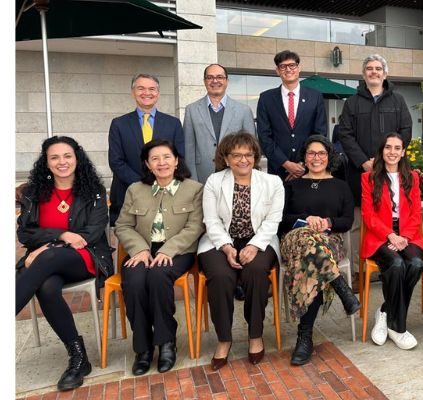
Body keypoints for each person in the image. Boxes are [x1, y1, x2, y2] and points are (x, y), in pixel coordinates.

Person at [15, 136, 113, 391]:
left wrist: (48, 247)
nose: (62, 162)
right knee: (46, 287)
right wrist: (60, 235)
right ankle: (78, 358)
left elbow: (91, 234)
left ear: (77, 158)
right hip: (47, 264)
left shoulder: (93, 190)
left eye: (67, 156)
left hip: (86, 257)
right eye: (55, 157)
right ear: (46, 162)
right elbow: (25, 233)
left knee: (47, 258)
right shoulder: (34, 193)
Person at [114, 139, 204, 375]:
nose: (161, 163)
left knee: (158, 276)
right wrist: (139, 249)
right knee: (134, 281)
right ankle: (142, 348)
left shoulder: (194, 189)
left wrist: (167, 250)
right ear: (147, 164)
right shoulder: (135, 190)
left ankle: (166, 342)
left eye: (166, 157)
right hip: (141, 250)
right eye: (155, 159)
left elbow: (195, 227)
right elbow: (123, 225)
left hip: (178, 251)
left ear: (176, 161)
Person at [197, 132, 284, 369]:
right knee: (220, 276)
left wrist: (254, 245)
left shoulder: (273, 182)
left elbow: (273, 221)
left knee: (255, 272)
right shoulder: (214, 181)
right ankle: (224, 339)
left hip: (260, 239)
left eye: (248, 154)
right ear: (226, 158)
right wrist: (226, 247)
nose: (243, 160)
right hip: (219, 240)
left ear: (255, 157)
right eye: (236, 155)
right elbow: (211, 220)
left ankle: (255, 335)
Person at [280, 135, 360, 365]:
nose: (316, 158)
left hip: (329, 240)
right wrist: (306, 219)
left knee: (311, 261)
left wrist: (328, 222)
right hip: (294, 240)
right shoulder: (292, 185)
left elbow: (347, 221)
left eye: (321, 153)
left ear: (329, 156)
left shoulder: (341, 186)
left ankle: (304, 336)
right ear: (304, 157)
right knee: (307, 242)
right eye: (311, 153)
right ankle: (340, 284)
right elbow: (281, 219)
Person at [361, 132, 423, 350]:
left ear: (403, 152)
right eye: (388, 147)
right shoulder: (369, 178)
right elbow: (368, 215)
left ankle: (385, 312)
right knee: (396, 264)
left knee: (415, 264)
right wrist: (390, 235)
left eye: (397, 148)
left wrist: (404, 237)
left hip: (408, 234)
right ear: (382, 150)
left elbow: (416, 213)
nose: (392, 152)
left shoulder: (412, 177)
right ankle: (399, 329)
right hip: (380, 235)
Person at [108, 73, 184, 226]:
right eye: (141, 88)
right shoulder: (119, 124)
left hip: (165, 193)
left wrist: (161, 183)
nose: (147, 93)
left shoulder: (173, 123)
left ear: (158, 93)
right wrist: (143, 183)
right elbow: (116, 161)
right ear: (133, 93)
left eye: (152, 89)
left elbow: (180, 156)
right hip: (128, 193)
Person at [338, 54, 413, 203]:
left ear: (385, 74)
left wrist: (389, 158)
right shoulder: (351, 103)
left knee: (393, 209)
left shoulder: (398, 100)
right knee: (363, 212)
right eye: (369, 68)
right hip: (360, 171)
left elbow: (406, 130)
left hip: (393, 169)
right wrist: (363, 162)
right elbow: (345, 134)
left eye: (378, 69)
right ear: (363, 74)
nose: (374, 72)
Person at [257, 50, 327, 181]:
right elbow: (264, 136)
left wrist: (303, 163)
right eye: (283, 66)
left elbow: (320, 133)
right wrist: (285, 163)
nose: (288, 69)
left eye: (292, 65)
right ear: (277, 71)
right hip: (278, 171)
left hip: (308, 170)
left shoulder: (315, 97)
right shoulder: (266, 99)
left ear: (299, 68)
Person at [184, 63, 256, 184]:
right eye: (210, 77)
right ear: (204, 81)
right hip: (202, 176)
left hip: (236, 175)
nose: (215, 81)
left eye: (219, 77)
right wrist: (193, 182)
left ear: (227, 81)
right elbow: (189, 149)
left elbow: (252, 148)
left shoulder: (244, 110)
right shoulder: (192, 110)